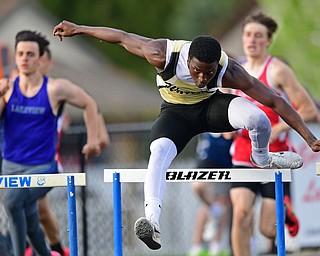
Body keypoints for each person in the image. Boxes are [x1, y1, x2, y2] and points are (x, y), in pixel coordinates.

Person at [53, 21, 320, 251]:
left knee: (257, 118)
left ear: (218, 66)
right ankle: (152, 221)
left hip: (211, 109)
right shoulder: (161, 54)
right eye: (196, 70)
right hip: (175, 115)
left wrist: (308, 137)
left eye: (210, 71)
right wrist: (79, 29)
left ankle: (261, 158)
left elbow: (275, 101)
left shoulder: (232, 71)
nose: (202, 77)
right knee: (157, 152)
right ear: (187, 60)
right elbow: (122, 38)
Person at [0, 30, 102, 256]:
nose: (25, 58)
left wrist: (93, 139)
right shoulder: (6, 89)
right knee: (30, 215)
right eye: (20, 54)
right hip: (11, 167)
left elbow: (89, 103)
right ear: (15, 58)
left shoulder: (55, 88)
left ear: (40, 59)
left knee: (13, 204)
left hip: (43, 168)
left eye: (30, 54)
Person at [229, 12, 319, 255]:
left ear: (268, 40)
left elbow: (309, 109)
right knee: (240, 213)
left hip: (275, 156)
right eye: (247, 35)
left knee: (268, 229)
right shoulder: (234, 71)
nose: (251, 40)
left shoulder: (277, 71)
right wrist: (227, 128)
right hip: (243, 154)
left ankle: (285, 213)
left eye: (258, 36)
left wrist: (279, 127)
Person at [24, 47, 110, 256]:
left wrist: (95, 140)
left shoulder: (59, 90)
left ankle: (46, 249)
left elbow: (92, 108)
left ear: (47, 63)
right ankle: (47, 248)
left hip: (46, 163)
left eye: (38, 59)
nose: (32, 63)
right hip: (19, 162)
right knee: (38, 211)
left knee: (30, 206)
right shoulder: (19, 91)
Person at [189, 132, 233, 256]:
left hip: (226, 157)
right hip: (208, 156)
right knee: (198, 187)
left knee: (224, 202)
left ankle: (216, 245)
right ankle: (196, 245)